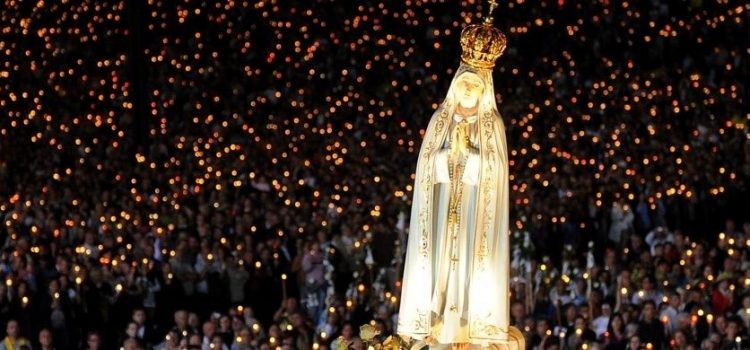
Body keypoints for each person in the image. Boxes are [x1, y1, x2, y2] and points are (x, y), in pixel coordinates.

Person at [398, 5, 516, 346]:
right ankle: (435, 321)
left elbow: (496, 173)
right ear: (456, 84)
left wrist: (472, 156)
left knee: (468, 265)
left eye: (474, 86)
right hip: (442, 207)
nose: (468, 91)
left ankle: (468, 324)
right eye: (464, 84)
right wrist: (450, 154)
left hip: (474, 212)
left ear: (483, 89)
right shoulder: (441, 120)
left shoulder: (491, 125)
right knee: (439, 267)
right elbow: (425, 168)